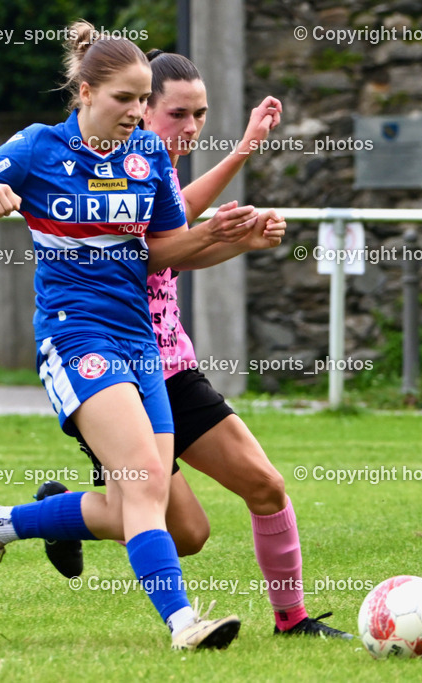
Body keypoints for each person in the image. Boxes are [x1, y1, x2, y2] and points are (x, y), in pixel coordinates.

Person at [0, 21, 281, 651]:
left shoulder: (146, 162)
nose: (137, 113)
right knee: (144, 481)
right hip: (75, 337)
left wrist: (233, 239)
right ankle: (183, 623)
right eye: (124, 99)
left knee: (160, 516)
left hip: (143, 346)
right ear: (84, 93)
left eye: (143, 101)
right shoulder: (37, 148)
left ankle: (0, 524)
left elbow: (166, 251)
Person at [34, 50, 352, 640]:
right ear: (137, 107)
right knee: (177, 529)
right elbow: (163, 244)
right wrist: (239, 171)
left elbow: (179, 232)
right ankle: (21, 523)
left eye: (200, 115)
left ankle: (293, 619)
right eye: (177, 113)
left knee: (262, 487)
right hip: (111, 372)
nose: (190, 128)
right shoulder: (107, 167)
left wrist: (240, 237)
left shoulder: (155, 167)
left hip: (171, 368)